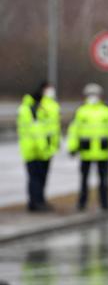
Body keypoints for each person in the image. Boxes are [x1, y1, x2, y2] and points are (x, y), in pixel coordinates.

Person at [67, 83, 108, 211]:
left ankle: (105, 202)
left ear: (100, 96)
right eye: (90, 94)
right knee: (84, 180)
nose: (93, 97)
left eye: (95, 94)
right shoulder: (81, 111)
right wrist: (73, 147)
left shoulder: (106, 111)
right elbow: (74, 131)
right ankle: (82, 202)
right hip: (86, 152)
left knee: (104, 180)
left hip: (103, 152)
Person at [17, 81, 59, 211]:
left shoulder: (46, 106)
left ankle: (39, 201)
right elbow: (36, 131)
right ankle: (35, 203)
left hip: (44, 148)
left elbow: (52, 128)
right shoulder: (31, 108)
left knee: (40, 178)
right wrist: (44, 148)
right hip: (35, 149)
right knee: (35, 178)